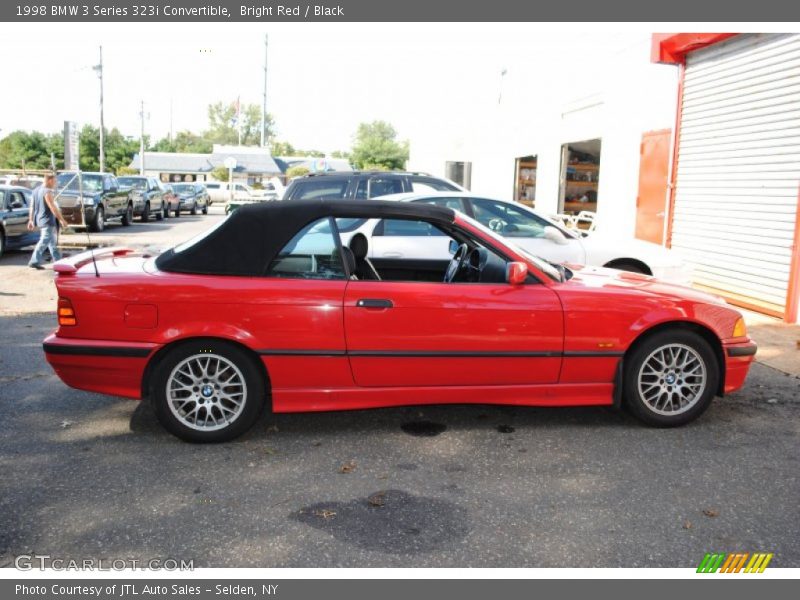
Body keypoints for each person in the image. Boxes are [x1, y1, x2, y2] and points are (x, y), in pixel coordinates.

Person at [27, 172, 68, 270]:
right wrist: (62, 220)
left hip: (40, 219)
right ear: (49, 180)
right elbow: (52, 207)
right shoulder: (47, 192)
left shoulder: (35, 191)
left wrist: (31, 220)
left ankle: (58, 261)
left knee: (52, 242)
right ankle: (34, 261)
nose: (55, 183)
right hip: (47, 220)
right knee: (44, 240)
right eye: (54, 181)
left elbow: (32, 206)